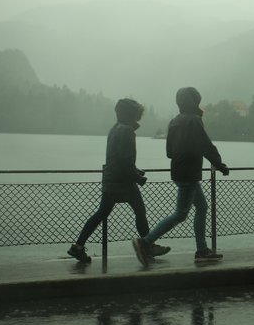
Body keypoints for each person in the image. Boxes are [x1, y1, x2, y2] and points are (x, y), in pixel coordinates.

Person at [132, 87, 229, 266]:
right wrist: (219, 164)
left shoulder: (174, 121)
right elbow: (206, 145)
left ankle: (201, 250)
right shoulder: (194, 120)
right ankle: (145, 243)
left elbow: (169, 152)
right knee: (180, 214)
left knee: (202, 207)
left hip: (178, 171)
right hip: (190, 173)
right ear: (195, 101)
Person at [68, 98, 170, 262]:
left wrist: (135, 170)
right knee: (140, 212)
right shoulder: (127, 131)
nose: (138, 117)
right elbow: (124, 161)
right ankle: (147, 247)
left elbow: (117, 158)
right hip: (124, 182)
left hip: (110, 180)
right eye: (137, 113)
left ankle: (78, 247)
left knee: (101, 213)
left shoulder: (115, 129)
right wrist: (137, 177)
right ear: (132, 114)